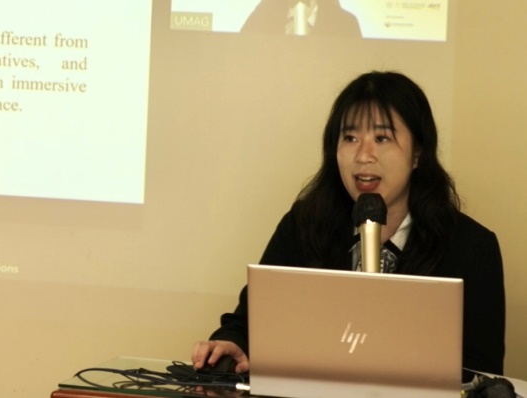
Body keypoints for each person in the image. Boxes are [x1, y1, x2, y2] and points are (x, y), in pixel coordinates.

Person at [192, 71, 505, 375]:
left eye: (382, 138)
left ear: (417, 154)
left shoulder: (470, 246)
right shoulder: (304, 225)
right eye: (350, 138)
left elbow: (483, 371)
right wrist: (231, 343)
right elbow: (250, 321)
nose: (363, 155)